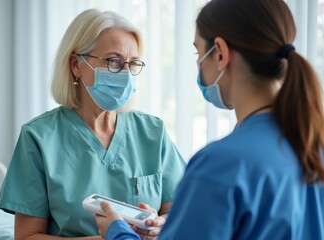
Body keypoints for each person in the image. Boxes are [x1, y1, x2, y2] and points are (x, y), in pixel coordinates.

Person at [94, 0, 324, 239]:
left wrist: (117, 231)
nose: (198, 62)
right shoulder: (311, 145)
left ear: (221, 53)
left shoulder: (221, 165)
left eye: (199, 52)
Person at [0, 9, 186, 239]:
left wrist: (159, 225)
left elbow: (177, 211)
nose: (125, 73)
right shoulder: (38, 137)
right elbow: (27, 236)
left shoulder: (153, 132)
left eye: (133, 63)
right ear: (76, 64)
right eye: (114, 61)